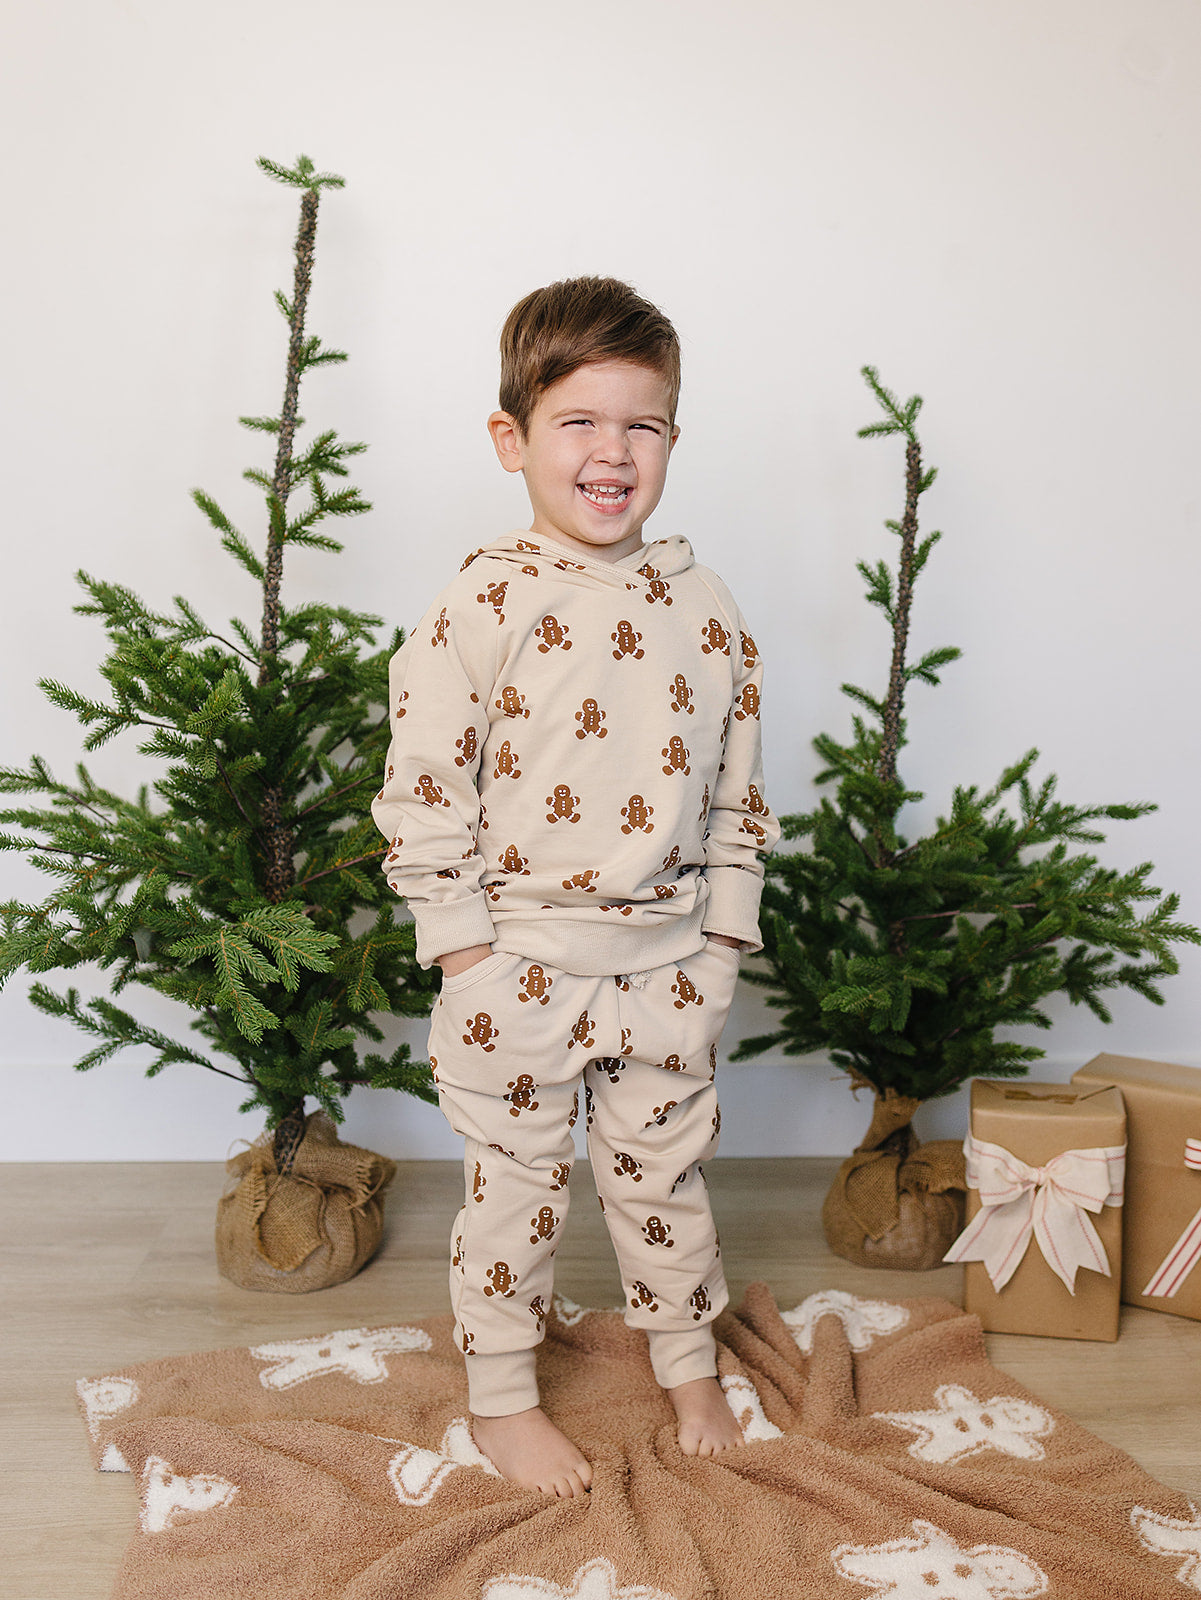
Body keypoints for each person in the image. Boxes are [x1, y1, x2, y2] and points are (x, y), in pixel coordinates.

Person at [370, 276, 782, 1498]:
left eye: (640, 426)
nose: (612, 453)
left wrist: (716, 953)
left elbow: (736, 800)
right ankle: (500, 1398)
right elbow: (421, 792)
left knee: (666, 1180)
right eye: (578, 423)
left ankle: (688, 1360)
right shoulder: (478, 604)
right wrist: (465, 958)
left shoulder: (708, 613)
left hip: (665, 965)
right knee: (516, 1195)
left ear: (671, 438)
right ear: (513, 438)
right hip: (516, 968)